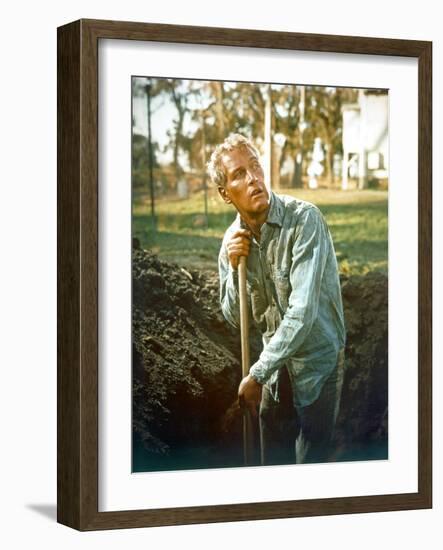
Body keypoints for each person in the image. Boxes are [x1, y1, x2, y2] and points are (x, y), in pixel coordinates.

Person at [207, 133, 346, 465]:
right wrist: (233, 266)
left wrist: (256, 375)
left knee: (308, 466)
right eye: (239, 174)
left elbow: (302, 312)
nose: (253, 178)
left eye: (255, 166)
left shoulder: (304, 220)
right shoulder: (232, 241)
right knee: (273, 464)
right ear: (226, 194)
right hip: (275, 370)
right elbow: (233, 316)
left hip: (317, 364)